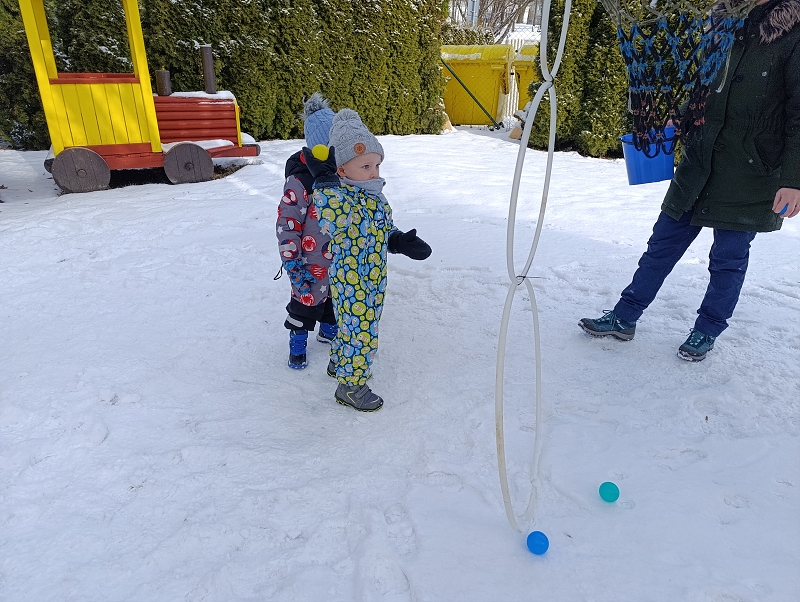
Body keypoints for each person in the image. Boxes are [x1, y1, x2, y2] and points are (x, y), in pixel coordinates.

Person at [580, 0, 800, 361]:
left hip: (751, 167)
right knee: (662, 244)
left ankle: (707, 330)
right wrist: (678, 120)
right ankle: (625, 316)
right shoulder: (723, 22)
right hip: (699, 161)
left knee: (728, 258)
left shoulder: (793, 35)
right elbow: (704, 87)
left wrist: (794, 179)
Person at [303, 108, 432, 411]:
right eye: (366, 166)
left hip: (373, 277)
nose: (375, 172)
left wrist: (399, 240)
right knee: (362, 332)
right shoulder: (337, 196)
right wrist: (324, 183)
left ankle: (339, 361)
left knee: (353, 326)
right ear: (343, 170)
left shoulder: (374, 196)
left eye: (377, 164)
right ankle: (351, 386)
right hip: (351, 278)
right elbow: (334, 219)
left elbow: (382, 228)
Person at [276, 93, 338, 369]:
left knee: (332, 301)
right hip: (307, 263)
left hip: (335, 260)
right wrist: (292, 263)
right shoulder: (300, 181)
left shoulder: (341, 176)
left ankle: (328, 330)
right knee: (304, 303)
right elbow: (287, 225)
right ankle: (297, 343)